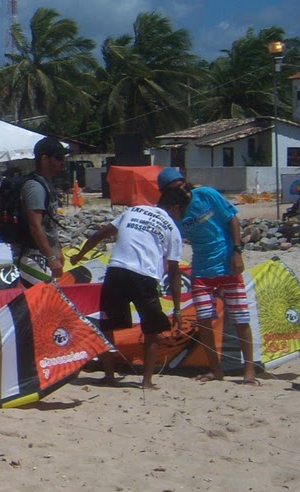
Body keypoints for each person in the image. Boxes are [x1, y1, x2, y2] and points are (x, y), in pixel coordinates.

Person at [75, 186, 186, 390]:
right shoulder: (172, 228)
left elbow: (103, 233)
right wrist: (177, 309)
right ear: (176, 208)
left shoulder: (134, 210)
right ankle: (146, 381)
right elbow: (174, 271)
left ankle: (109, 375)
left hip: (116, 270)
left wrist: (79, 256)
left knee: (107, 325)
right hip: (145, 277)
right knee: (151, 330)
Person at [158, 166, 256, 384]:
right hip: (201, 270)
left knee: (240, 318)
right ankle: (216, 370)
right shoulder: (173, 213)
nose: (180, 188)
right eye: (173, 188)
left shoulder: (206, 195)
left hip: (227, 265)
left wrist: (238, 251)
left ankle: (249, 370)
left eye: (180, 183)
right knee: (204, 322)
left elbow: (232, 218)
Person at [17, 136, 69, 284]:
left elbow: (50, 223)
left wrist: (57, 249)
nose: (63, 162)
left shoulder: (46, 184)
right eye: (58, 157)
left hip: (44, 255)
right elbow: (35, 225)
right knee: (49, 301)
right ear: (44, 159)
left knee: (48, 303)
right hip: (32, 256)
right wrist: (51, 257)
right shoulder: (35, 187)